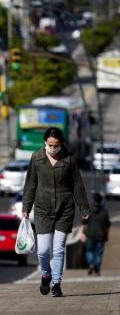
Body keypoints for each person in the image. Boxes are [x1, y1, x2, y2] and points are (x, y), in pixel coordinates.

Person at [22, 127, 90, 298]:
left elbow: (77, 184)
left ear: (61, 144)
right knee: (43, 250)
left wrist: (84, 207)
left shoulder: (69, 160)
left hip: (64, 209)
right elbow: (30, 184)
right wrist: (26, 208)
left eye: (56, 145)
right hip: (43, 209)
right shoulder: (36, 158)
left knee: (58, 249)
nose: (52, 148)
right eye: (50, 145)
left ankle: (57, 284)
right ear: (45, 142)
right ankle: (46, 274)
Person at [83, 192, 111, 276]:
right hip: (101, 235)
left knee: (89, 251)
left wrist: (83, 233)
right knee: (98, 253)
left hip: (90, 235)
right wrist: (107, 235)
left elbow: (84, 223)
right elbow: (107, 225)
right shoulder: (105, 212)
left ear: (93, 200)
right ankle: (97, 268)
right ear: (101, 201)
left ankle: (91, 264)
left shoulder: (88, 211)